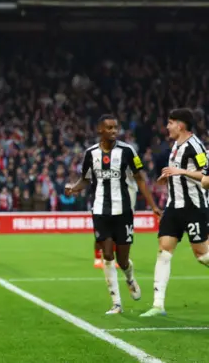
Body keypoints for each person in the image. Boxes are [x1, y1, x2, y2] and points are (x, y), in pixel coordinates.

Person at [66, 115, 162, 314]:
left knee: (122, 259)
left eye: (115, 127)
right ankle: (116, 303)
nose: (113, 131)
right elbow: (85, 179)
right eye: (109, 128)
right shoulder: (91, 153)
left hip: (123, 211)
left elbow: (140, 179)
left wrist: (152, 205)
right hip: (101, 210)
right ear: (100, 130)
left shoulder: (127, 151)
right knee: (107, 255)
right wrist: (74, 188)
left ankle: (129, 278)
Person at [141, 108, 209, 317]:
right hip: (174, 208)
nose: (167, 127)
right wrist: (169, 177)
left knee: (202, 255)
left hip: (194, 207)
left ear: (180, 125)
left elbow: (206, 178)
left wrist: (181, 172)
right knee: (164, 251)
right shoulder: (175, 147)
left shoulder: (195, 146)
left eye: (170, 123)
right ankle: (158, 304)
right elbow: (179, 173)